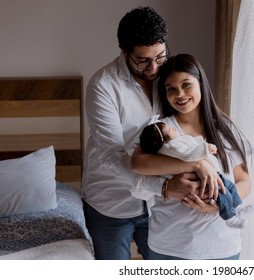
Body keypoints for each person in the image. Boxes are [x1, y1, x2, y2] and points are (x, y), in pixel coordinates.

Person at [81, 7, 221, 260]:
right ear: (124, 52)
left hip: (162, 207)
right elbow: (112, 155)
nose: (153, 67)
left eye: (160, 56)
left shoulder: (170, 78)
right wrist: (164, 187)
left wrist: (200, 160)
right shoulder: (102, 86)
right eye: (143, 60)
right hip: (111, 203)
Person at [131, 53, 254, 260]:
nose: (180, 94)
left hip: (222, 247)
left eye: (186, 85)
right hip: (170, 247)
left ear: (200, 84)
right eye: (171, 89)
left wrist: (216, 207)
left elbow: (244, 180)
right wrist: (195, 165)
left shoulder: (226, 128)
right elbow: (138, 164)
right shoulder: (161, 131)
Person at [139, 119, 254, 229]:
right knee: (223, 193)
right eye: (170, 130)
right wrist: (206, 148)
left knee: (230, 188)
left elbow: (244, 180)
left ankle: (237, 208)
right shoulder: (172, 146)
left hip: (214, 174)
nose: (173, 128)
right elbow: (188, 154)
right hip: (202, 179)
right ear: (164, 141)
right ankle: (230, 219)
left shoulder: (225, 125)